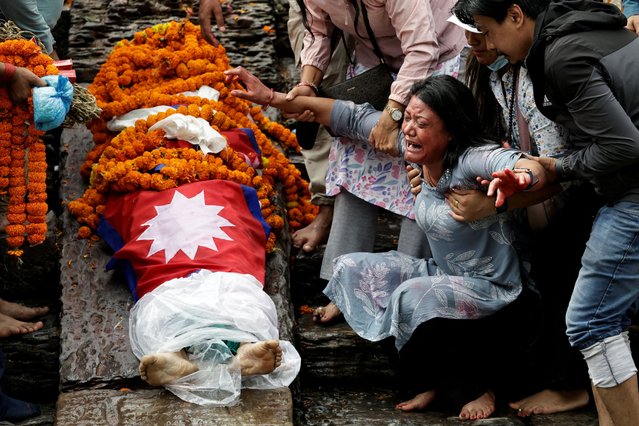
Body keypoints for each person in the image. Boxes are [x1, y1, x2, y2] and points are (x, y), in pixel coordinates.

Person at [225, 65, 549, 420]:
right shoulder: (418, 149)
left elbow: (518, 163)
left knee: (411, 296)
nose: (408, 128)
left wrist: (518, 177)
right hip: (445, 273)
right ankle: (431, 380)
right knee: (351, 269)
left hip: (499, 290)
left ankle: (477, 387)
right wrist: (272, 98)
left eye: (421, 123)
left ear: (452, 131)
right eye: (407, 117)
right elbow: (350, 117)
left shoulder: (472, 159)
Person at [455, 1, 639, 425]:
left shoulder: (560, 55)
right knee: (601, 323)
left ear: (516, 15)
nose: (489, 43)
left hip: (632, 189)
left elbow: (623, 146)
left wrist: (555, 166)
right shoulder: (590, 26)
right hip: (622, 187)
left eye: (488, 29)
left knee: (591, 322)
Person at [408, 13, 593, 417]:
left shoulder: (544, 65)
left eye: (483, 35)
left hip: (567, 188)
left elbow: (552, 165)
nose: (476, 45)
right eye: (471, 37)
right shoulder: (488, 67)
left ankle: (572, 388)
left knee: (560, 282)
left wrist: (500, 201)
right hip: (520, 195)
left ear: (513, 18)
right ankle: (458, 383)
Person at [287, 0, 465, 278]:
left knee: (423, 167)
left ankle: (404, 287)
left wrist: (393, 113)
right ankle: (342, 283)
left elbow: (422, 48)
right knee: (352, 160)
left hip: (434, 59)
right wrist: (308, 83)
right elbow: (318, 31)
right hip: (376, 64)